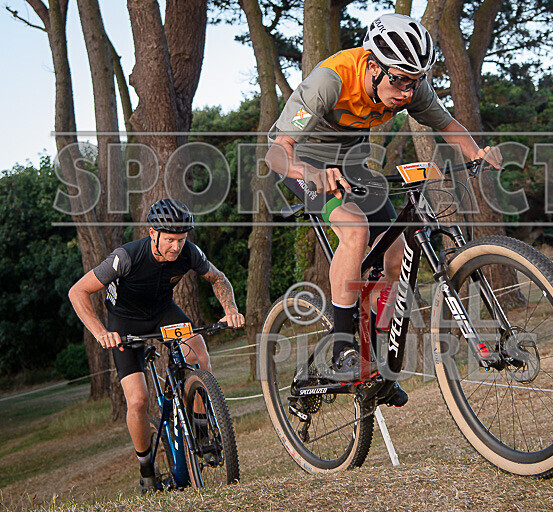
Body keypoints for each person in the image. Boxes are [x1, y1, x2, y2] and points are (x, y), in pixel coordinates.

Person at [265, 13, 502, 407]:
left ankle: (376, 364)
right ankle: (343, 348)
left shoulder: (410, 84)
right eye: (399, 80)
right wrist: (310, 171)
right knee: (355, 230)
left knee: (397, 254)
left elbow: (447, 124)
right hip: (301, 162)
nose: (407, 92)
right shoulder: (331, 81)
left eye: (415, 81)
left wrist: (477, 151)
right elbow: (276, 152)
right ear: (373, 66)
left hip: (354, 164)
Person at [68, 199, 245, 494]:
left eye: (181, 239)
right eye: (171, 240)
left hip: (163, 313)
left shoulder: (189, 252)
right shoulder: (126, 257)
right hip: (124, 323)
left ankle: (201, 433)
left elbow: (218, 278)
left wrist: (230, 310)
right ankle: (146, 470)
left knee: (199, 355)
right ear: (153, 233)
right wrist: (101, 333)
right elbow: (78, 291)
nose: (176, 247)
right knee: (137, 400)